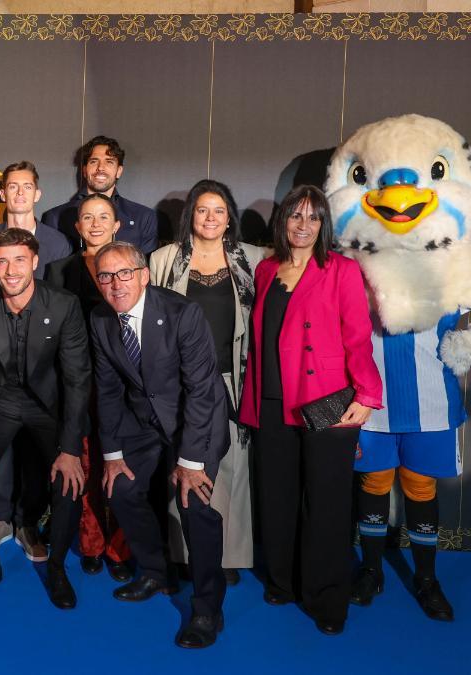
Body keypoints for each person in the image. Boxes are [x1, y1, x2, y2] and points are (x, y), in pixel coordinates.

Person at [237, 185, 382, 636]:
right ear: (282, 221)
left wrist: (367, 394)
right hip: (272, 399)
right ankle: (283, 580)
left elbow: (357, 335)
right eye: (295, 216)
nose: (303, 225)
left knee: (326, 504)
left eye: (313, 217)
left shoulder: (342, 269)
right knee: (277, 498)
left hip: (325, 402)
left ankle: (327, 598)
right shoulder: (265, 269)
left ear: (324, 225)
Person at [90, 241, 230, 649]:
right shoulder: (100, 319)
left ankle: (207, 607)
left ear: (144, 275)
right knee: (120, 488)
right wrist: (112, 455)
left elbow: (201, 391)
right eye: (105, 276)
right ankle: (156, 572)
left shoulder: (182, 313)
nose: (116, 284)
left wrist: (190, 462)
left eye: (124, 273)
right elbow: (108, 390)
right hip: (143, 422)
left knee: (194, 504)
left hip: (194, 421)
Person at [0, 228, 91, 609]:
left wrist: (69, 449)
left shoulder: (63, 305)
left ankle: (57, 567)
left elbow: (77, 379)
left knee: (69, 478)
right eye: (2, 261)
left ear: (35, 262)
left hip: (47, 404)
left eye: (19, 260)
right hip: (1, 400)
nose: (11, 270)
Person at [148, 179, 264, 585]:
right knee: (183, 466)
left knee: (232, 468)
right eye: (202, 210)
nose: (210, 218)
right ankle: (184, 554)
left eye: (218, 210)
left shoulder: (251, 259)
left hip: (233, 380)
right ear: (190, 216)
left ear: (229, 217)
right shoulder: (164, 259)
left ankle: (226, 555)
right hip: (180, 384)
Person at [0, 161, 71, 559]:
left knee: (35, 454)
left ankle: (28, 522)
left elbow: (63, 304)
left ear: (38, 193)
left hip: (45, 370)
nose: (19, 193)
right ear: (2, 193)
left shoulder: (57, 243)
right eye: (11, 186)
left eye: (26, 187)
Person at [45, 193, 134, 582]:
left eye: (103, 217)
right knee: (85, 463)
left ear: (116, 225)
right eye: (87, 217)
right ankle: (92, 544)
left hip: (125, 381)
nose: (95, 224)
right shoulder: (58, 270)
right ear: (77, 226)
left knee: (123, 464)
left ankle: (121, 549)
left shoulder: (131, 267)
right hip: (77, 382)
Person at [41, 136, 159, 254]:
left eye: (109, 162)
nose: (101, 168)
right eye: (94, 161)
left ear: (119, 171)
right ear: (84, 171)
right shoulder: (55, 218)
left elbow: (145, 264)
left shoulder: (143, 217)